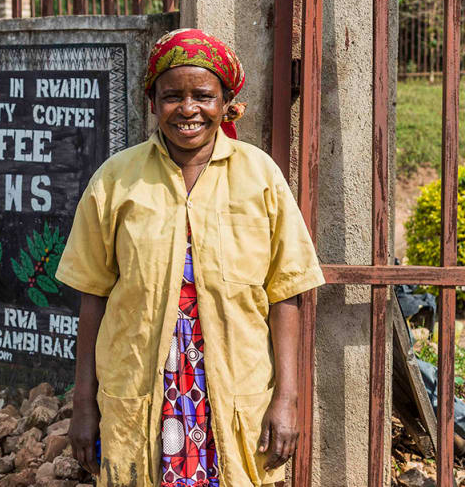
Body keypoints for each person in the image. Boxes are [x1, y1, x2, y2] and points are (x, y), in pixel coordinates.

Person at [56, 28, 324, 487]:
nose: (188, 109)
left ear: (225, 103)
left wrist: (287, 399)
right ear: (152, 102)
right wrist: (84, 403)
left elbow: (287, 294)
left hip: (231, 387)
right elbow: (93, 296)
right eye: (171, 96)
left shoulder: (259, 176)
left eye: (203, 95)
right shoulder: (117, 180)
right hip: (142, 388)